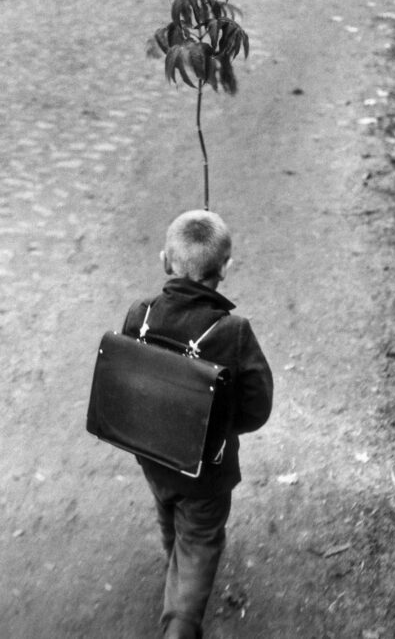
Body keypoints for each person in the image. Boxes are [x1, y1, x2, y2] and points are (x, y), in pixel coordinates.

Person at [122, 209, 273, 639]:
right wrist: (222, 426)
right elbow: (257, 407)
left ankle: (175, 561)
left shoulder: (141, 314)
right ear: (226, 268)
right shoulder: (233, 332)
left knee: (168, 509)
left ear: (165, 262)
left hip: (153, 453)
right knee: (201, 537)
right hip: (206, 471)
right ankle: (180, 625)